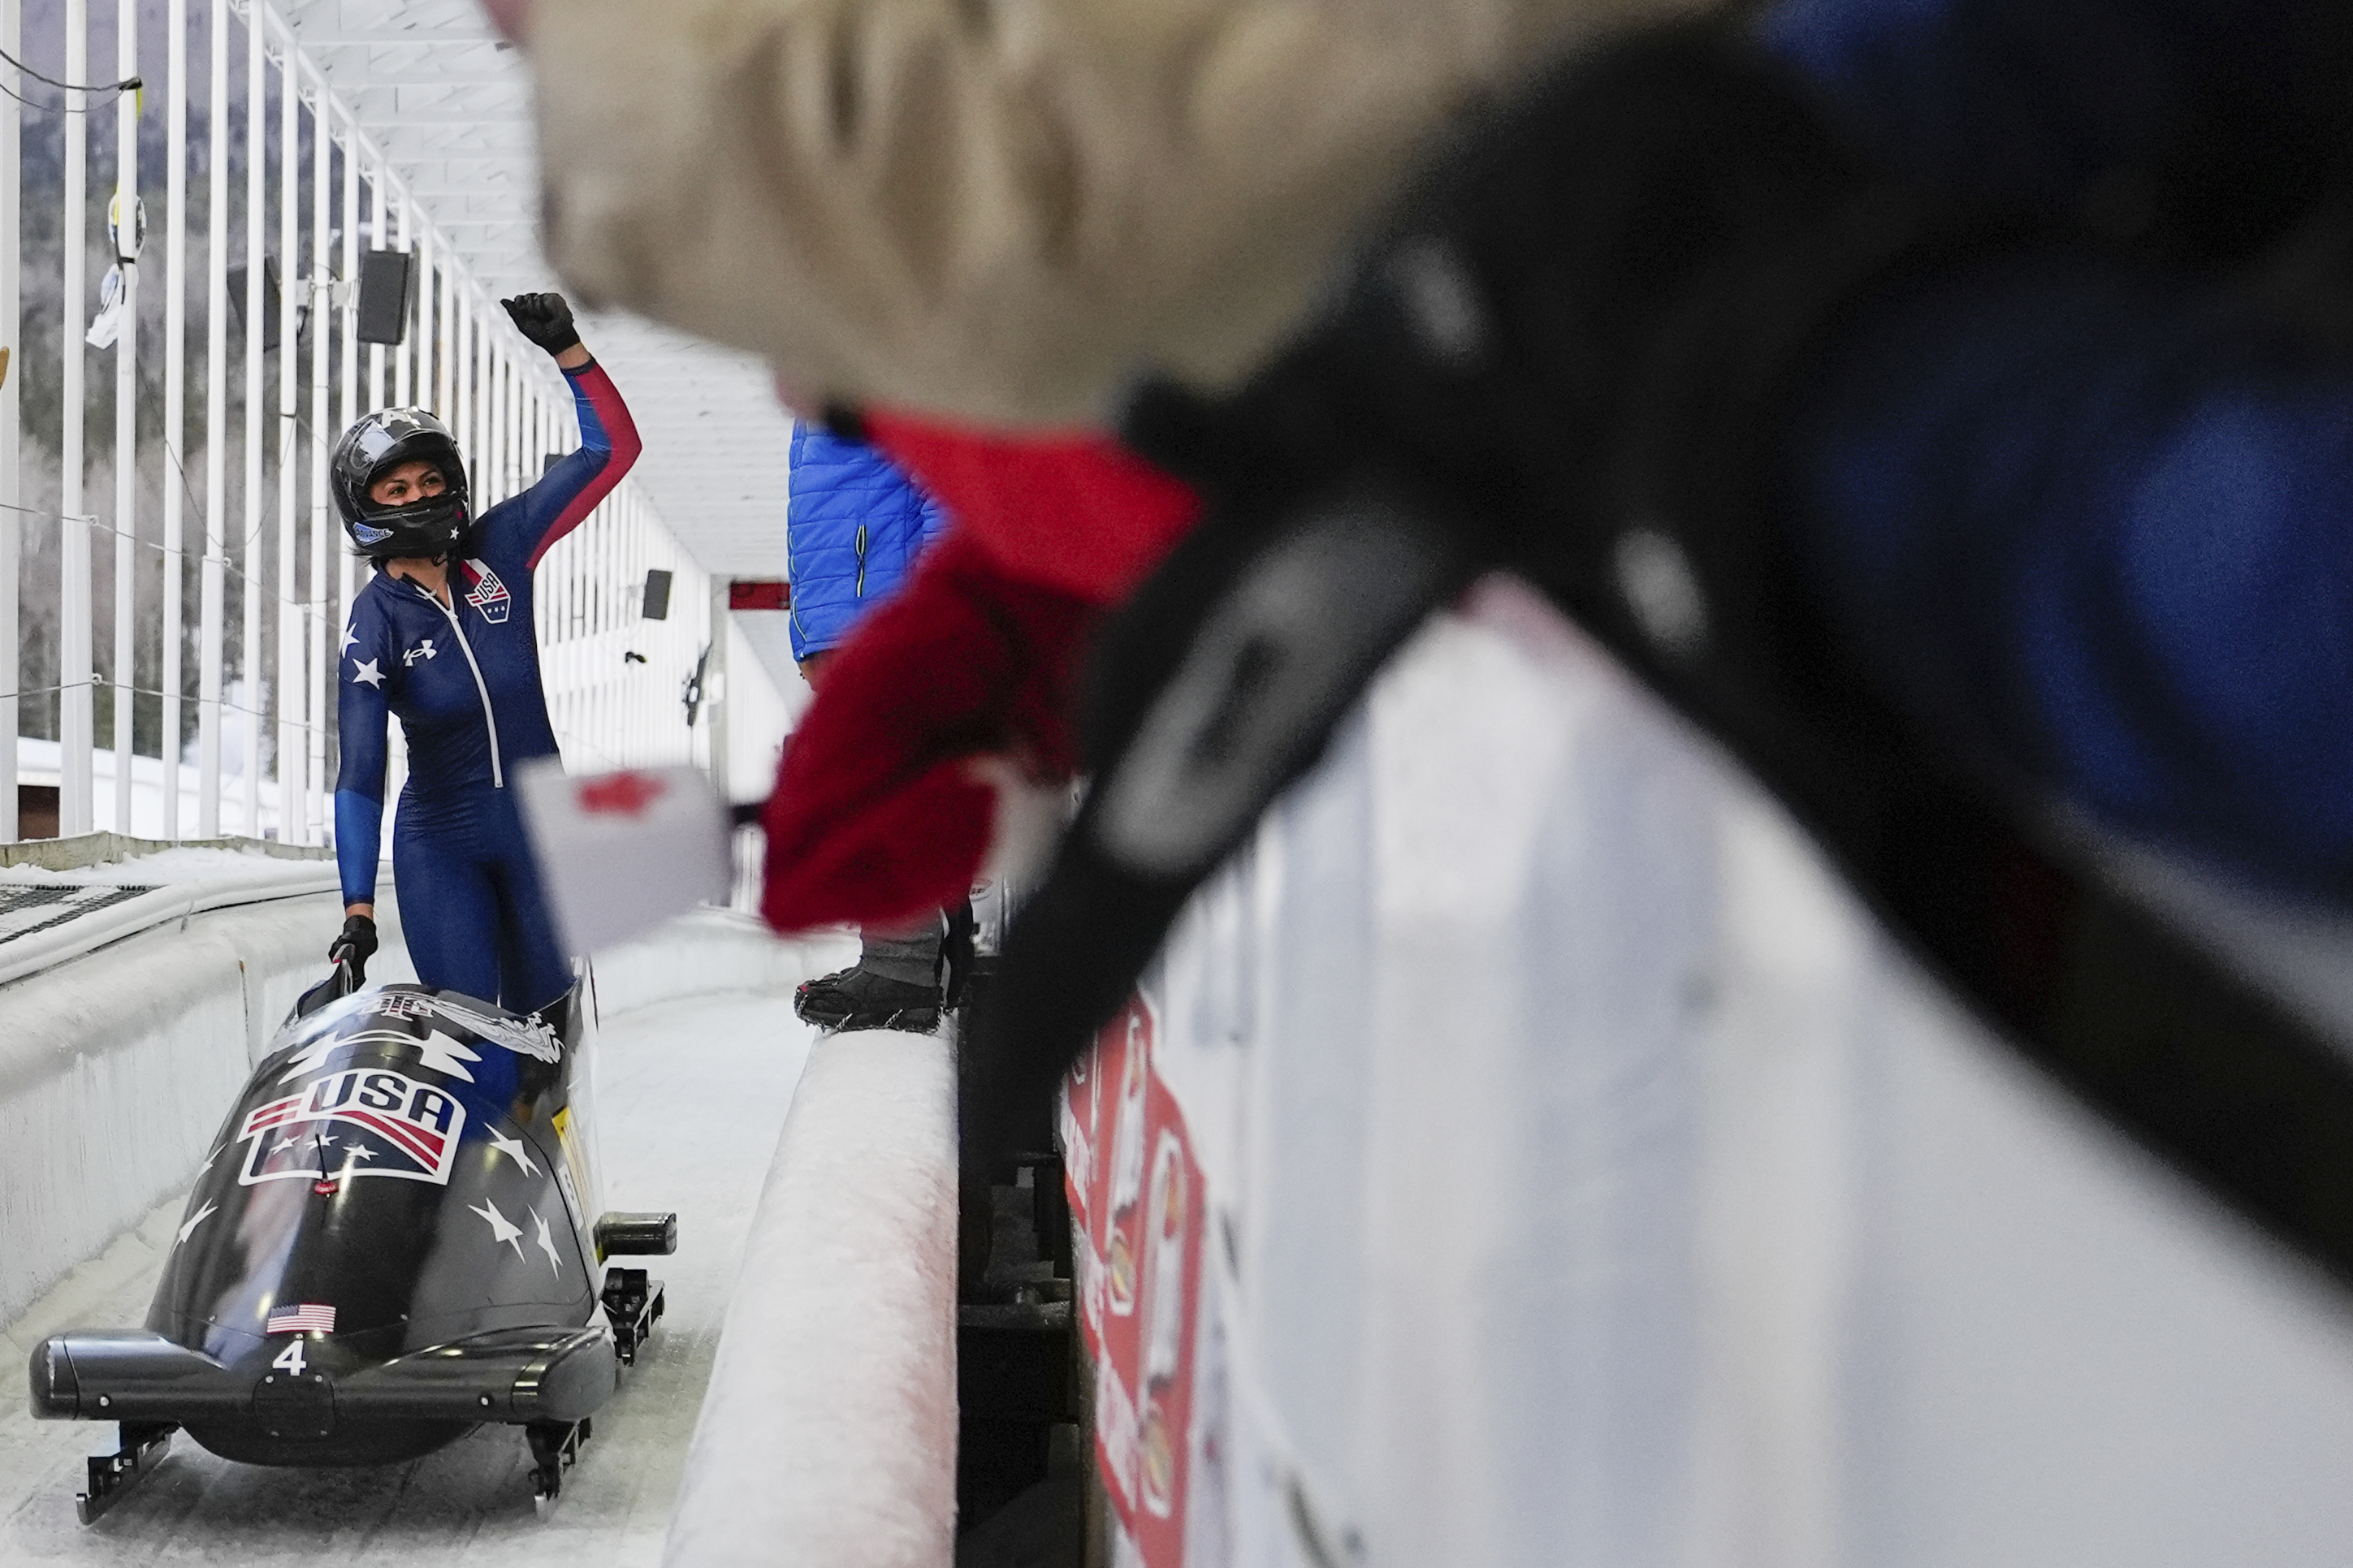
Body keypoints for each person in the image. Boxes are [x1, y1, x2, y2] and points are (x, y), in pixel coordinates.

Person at [330, 292, 642, 1020]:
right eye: (397, 488)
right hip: (443, 849)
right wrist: (356, 909)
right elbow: (360, 771)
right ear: (365, 505)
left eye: (431, 481)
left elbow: (611, 453)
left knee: (549, 1028)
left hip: (541, 837)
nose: (420, 495)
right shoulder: (373, 622)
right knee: (469, 1036)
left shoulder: (501, 547)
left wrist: (570, 352)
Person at [779, 424, 956, 1032]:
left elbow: (945, 483)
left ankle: (900, 969)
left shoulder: (887, 360)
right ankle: (904, 957)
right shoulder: (825, 377)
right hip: (846, 616)